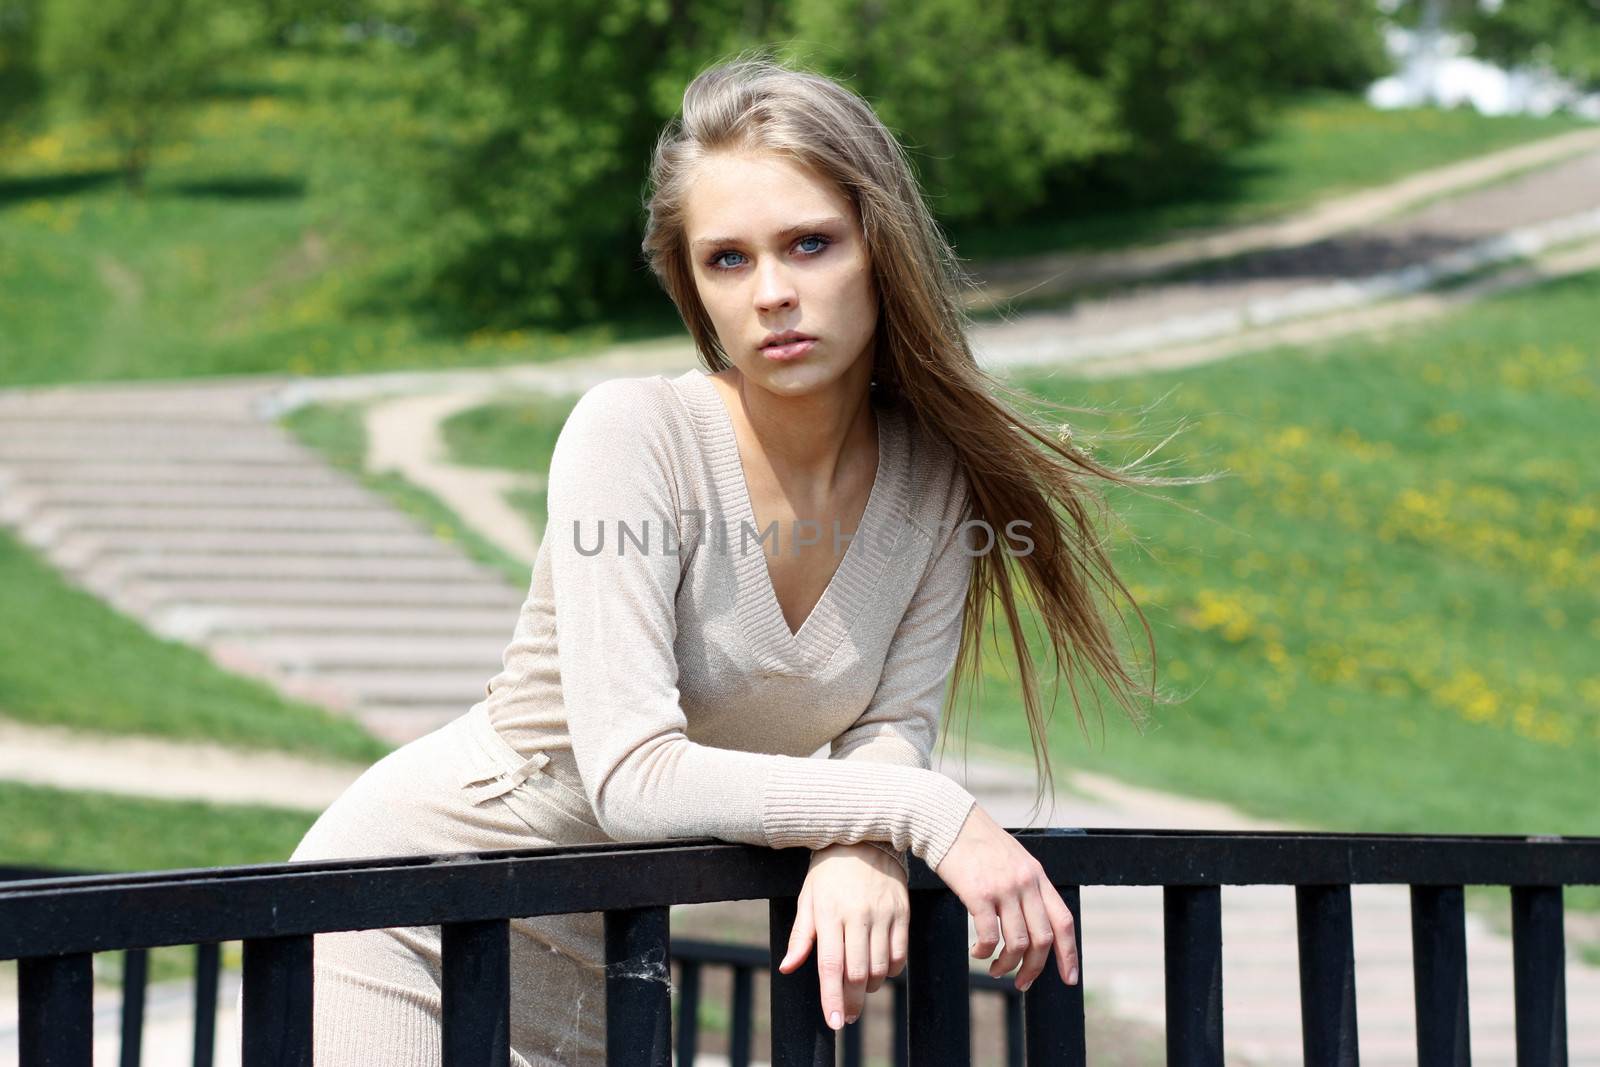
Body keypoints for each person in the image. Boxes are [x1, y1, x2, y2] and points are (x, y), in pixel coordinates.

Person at [256, 51, 1171, 1066]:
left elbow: (889, 727)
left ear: (881, 248)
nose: (773, 291)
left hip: (601, 947)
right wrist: (923, 815)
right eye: (727, 259)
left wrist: (860, 844)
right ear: (691, 285)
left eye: (810, 243)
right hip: (401, 911)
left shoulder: (932, 479)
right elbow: (634, 776)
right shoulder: (632, 434)